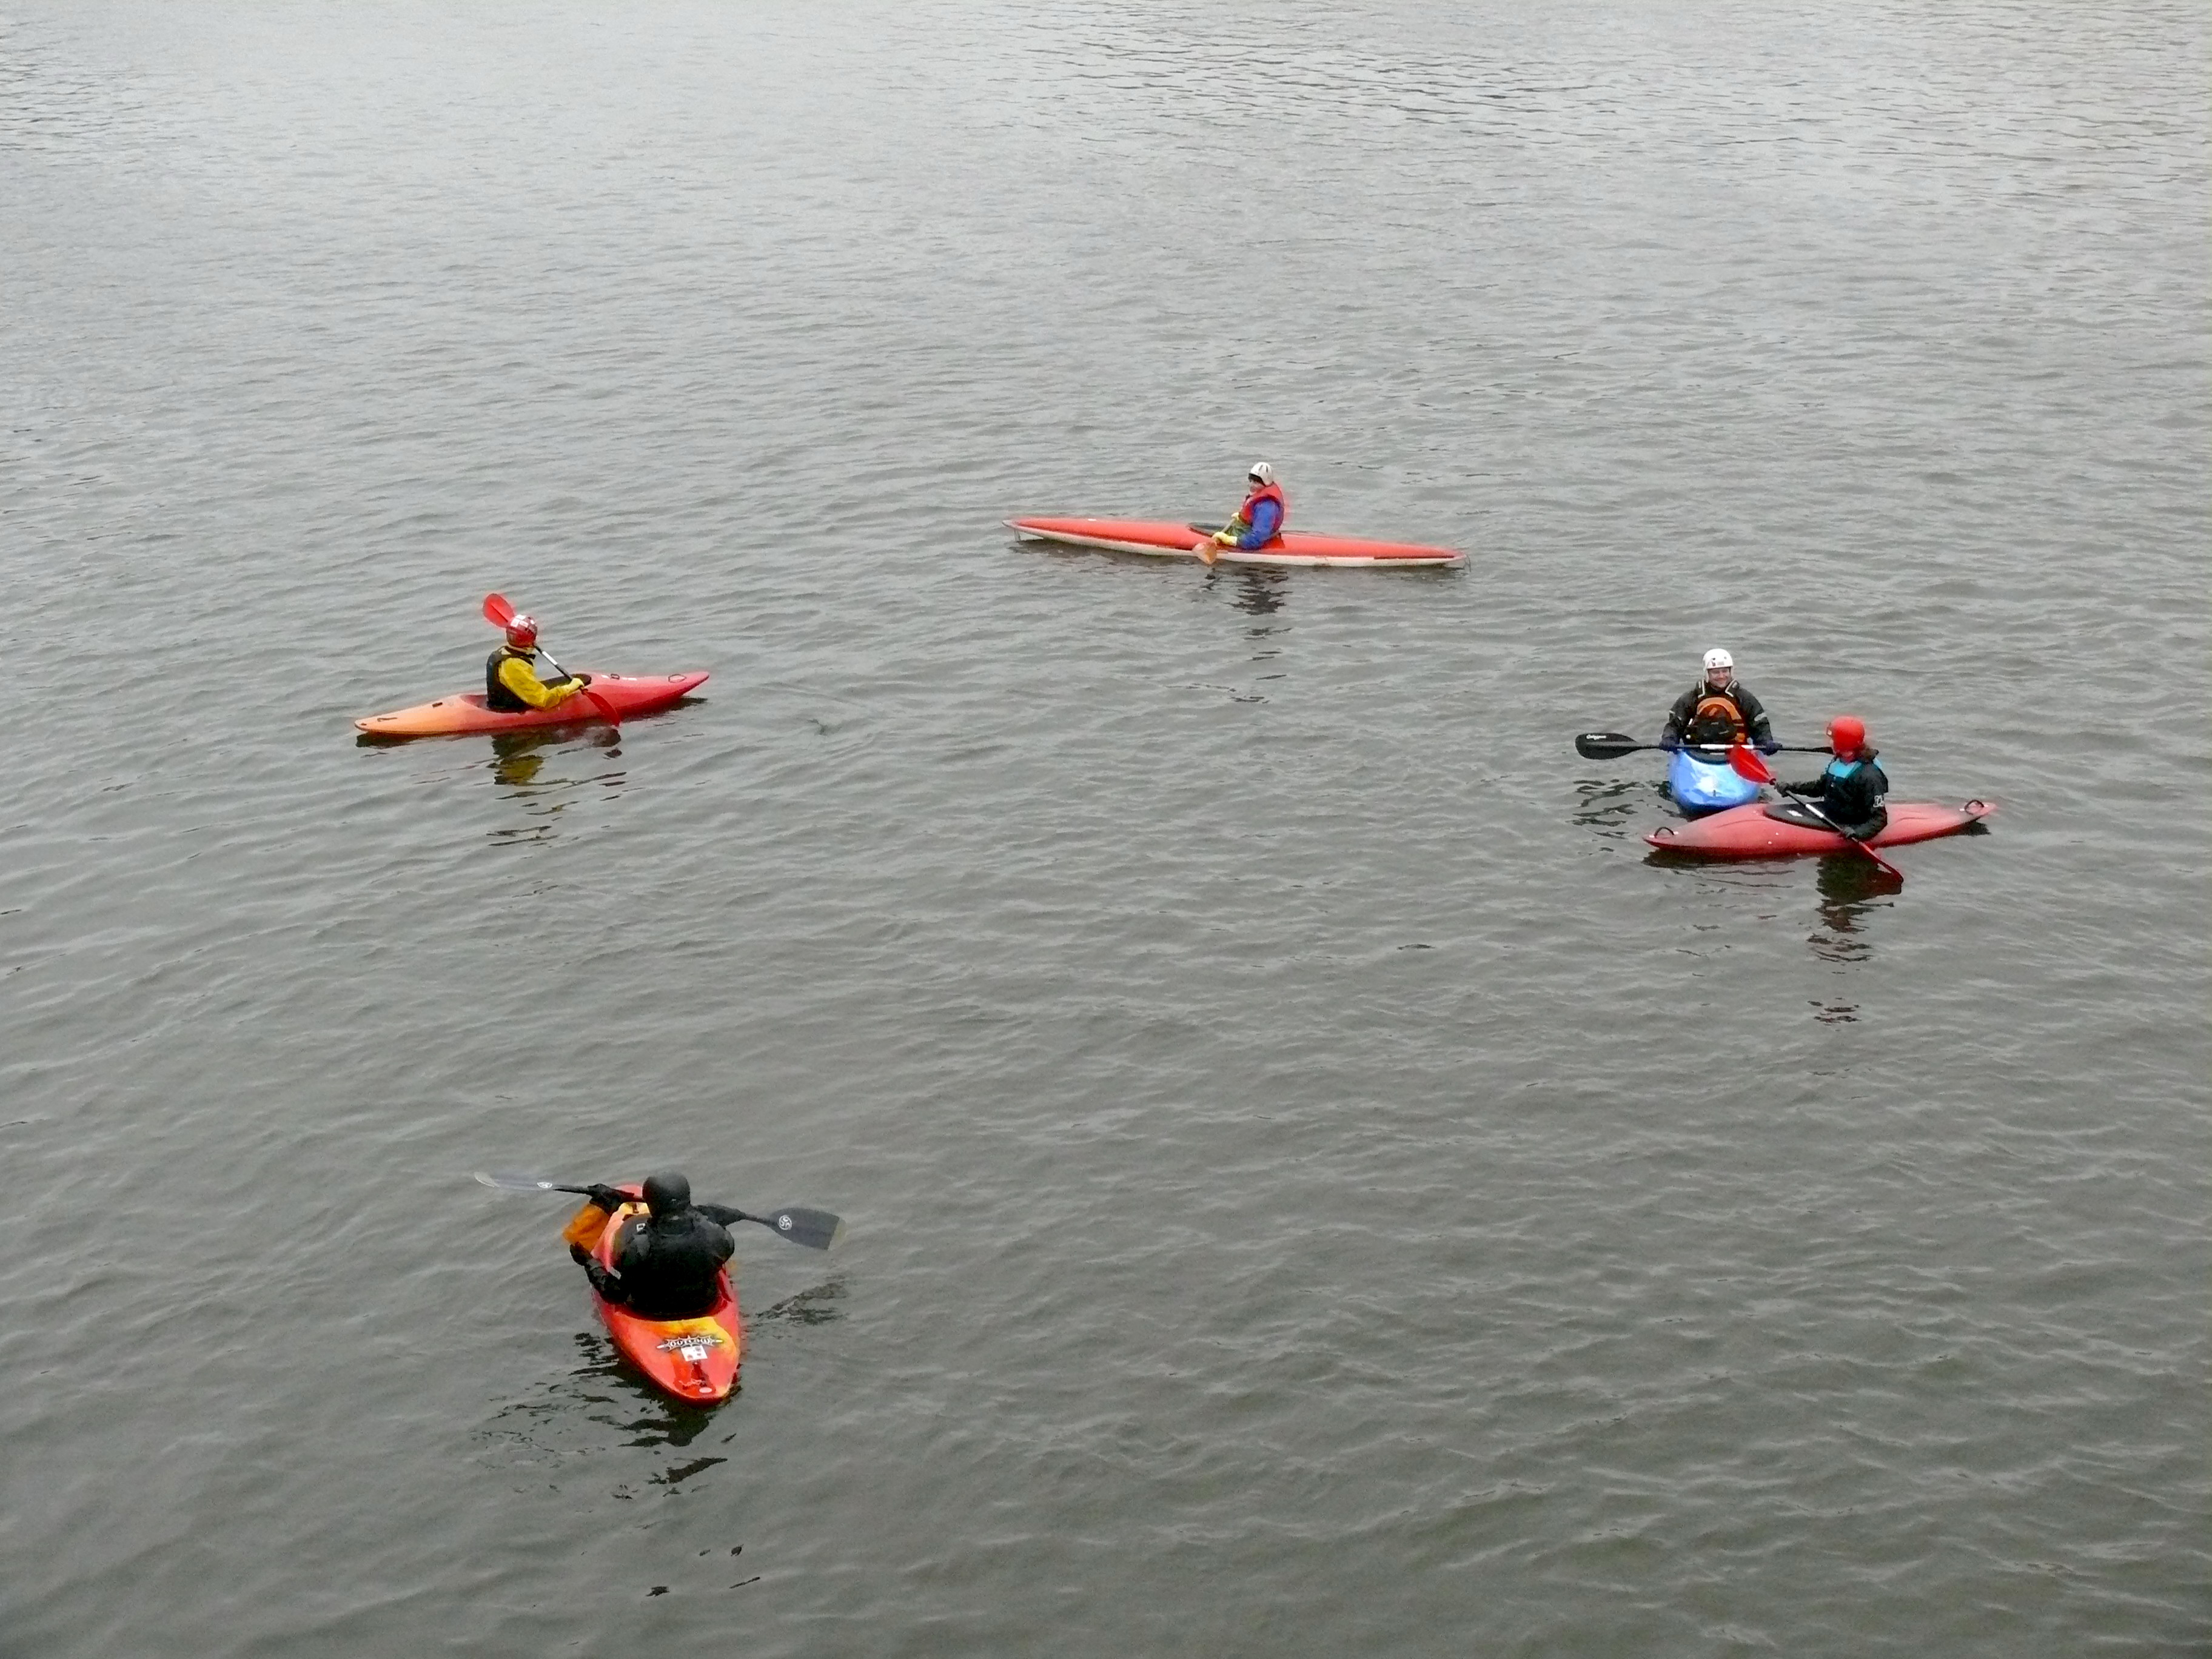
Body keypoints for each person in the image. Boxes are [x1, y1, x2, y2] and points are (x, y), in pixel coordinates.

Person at [568, 1172, 746, 1319]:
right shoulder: (718, 1236)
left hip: (651, 1311)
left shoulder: (640, 1247)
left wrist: (589, 1262)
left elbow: (615, 1294)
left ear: (651, 1206)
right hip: (704, 1305)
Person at [1783, 716, 1889, 840]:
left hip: (1854, 823)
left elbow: (1879, 818)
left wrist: (1859, 833)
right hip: (1833, 813)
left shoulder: (1869, 775)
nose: (1830, 743)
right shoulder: (1839, 761)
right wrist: (1791, 787)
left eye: (1833, 740)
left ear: (1843, 743)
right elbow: (1820, 788)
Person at [1660, 648, 1775, 750]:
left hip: (1736, 752)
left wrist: (1766, 742)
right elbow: (1675, 724)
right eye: (1716, 672)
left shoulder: (1744, 698)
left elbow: (1760, 724)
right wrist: (1669, 739)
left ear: (1731, 672)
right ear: (1707, 674)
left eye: (1725, 671)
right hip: (1697, 751)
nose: (1721, 676)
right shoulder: (1692, 698)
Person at [485, 614, 588, 713]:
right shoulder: (514, 665)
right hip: (509, 708)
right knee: (558, 691)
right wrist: (570, 688)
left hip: (503, 701)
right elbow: (544, 701)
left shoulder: (503, 651)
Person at [1199, 462, 1288, 565]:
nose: (1251, 485)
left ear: (1265, 484)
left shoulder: (1266, 506)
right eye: (1251, 481)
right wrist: (1242, 518)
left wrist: (1231, 541)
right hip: (1252, 532)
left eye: (1256, 482)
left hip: (1254, 541)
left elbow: (1257, 539)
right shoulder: (1261, 498)